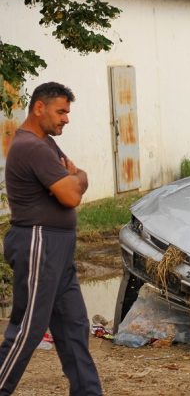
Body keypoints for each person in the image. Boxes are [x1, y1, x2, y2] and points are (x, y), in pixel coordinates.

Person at [0, 82, 103, 395]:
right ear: (39, 108)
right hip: (38, 243)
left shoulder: (46, 144)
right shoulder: (31, 147)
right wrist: (76, 179)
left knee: (74, 325)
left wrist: (77, 177)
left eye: (68, 112)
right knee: (28, 328)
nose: (66, 119)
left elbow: (78, 175)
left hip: (58, 246)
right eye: (61, 111)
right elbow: (72, 194)